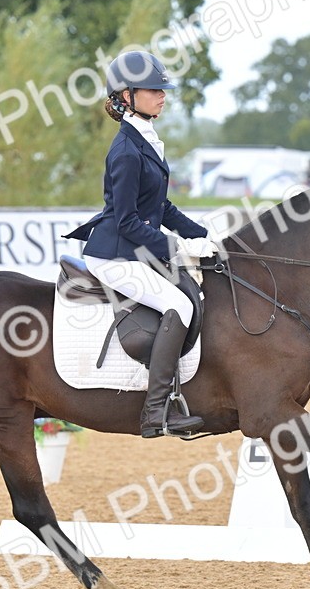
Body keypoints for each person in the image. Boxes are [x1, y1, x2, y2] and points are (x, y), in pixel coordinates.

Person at [64, 51, 219, 437]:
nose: (162, 95)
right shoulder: (125, 151)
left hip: (134, 248)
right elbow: (127, 220)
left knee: (188, 293)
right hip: (113, 255)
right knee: (178, 304)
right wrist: (175, 249)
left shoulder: (147, 140)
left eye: (162, 88)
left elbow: (160, 206)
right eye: (153, 90)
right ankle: (155, 411)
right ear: (126, 96)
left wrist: (199, 234)